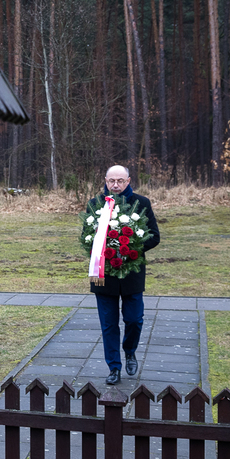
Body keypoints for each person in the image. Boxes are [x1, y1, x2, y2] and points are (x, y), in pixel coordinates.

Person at [87, 165, 160, 385]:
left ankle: (130, 351)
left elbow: (154, 236)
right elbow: (87, 237)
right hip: (104, 274)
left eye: (120, 181)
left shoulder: (142, 203)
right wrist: (103, 248)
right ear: (105, 180)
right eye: (112, 181)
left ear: (128, 181)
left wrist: (132, 249)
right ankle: (114, 367)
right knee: (109, 325)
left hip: (132, 273)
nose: (116, 185)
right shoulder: (95, 204)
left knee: (134, 320)